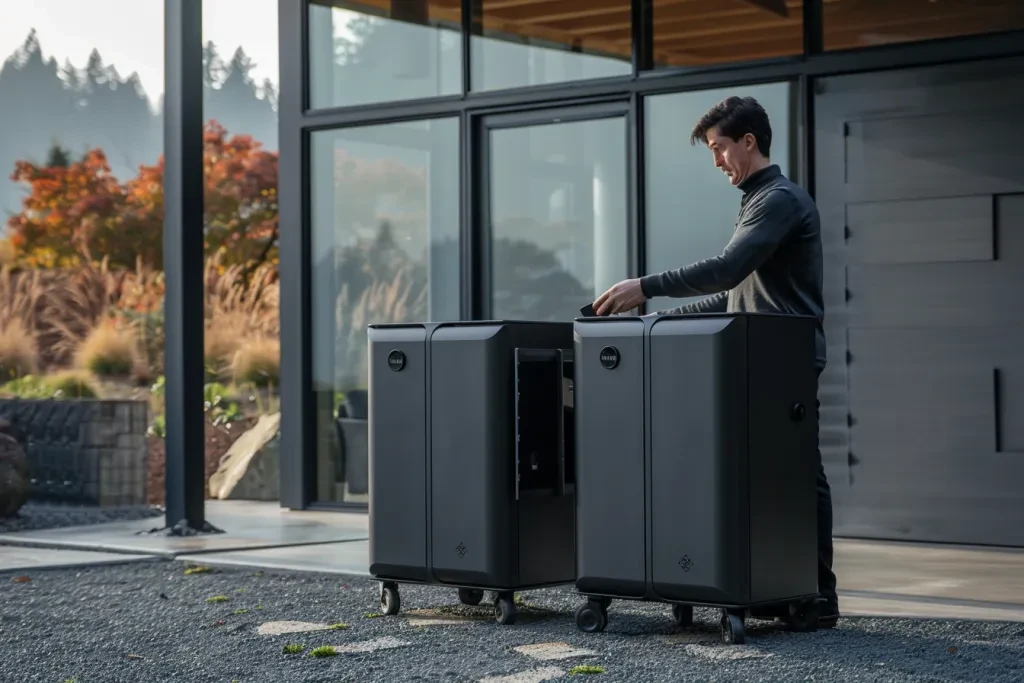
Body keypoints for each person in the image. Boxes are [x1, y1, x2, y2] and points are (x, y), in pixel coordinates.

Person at [592, 95, 839, 629]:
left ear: (748, 141)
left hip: (782, 363)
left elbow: (727, 270)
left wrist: (646, 287)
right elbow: (733, 296)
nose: (717, 161)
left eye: (719, 148)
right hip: (758, 361)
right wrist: (651, 321)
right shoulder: (758, 203)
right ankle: (776, 585)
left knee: (797, 474)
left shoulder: (779, 200)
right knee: (765, 475)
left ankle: (817, 595)